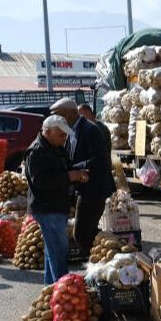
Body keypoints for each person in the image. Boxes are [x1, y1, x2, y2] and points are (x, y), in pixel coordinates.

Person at [24, 115, 88, 284]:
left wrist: (78, 172)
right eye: (61, 135)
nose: (64, 138)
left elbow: (65, 168)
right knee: (59, 249)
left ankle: (51, 287)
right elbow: (39, 181)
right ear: (48, 132)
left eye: (65, 135)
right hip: (47, 207)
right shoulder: (36, 151)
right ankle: (63, 287)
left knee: (52, 249)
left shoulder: (56, 147)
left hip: (56, 205)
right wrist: (69, 176)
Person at [50, 97, 115, 258]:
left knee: (81, 233)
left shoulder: (90, 129)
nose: (57, 118)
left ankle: (97, 263)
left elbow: (100, 160)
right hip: (83, 189)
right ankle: (102, 262)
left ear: (71, 113)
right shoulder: (71, 130)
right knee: (89, 231)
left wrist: (75, 169)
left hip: (94, 189)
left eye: (60, 114)